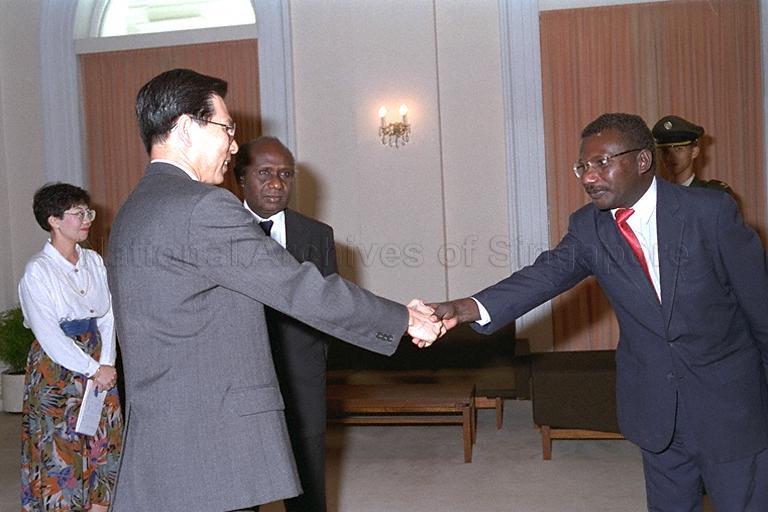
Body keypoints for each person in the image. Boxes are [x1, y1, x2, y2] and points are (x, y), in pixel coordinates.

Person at [105, 68, 441, 512]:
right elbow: (296, 286)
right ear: (186, 128)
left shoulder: (134, 208)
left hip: (164, 430)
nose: (233, 145)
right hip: (212, 438)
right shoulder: (202, 206)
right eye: (226, 129)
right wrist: (402, 318)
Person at [424, 113, 768, 511]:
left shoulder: (710, 212)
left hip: (731, 408)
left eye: (602, 163)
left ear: (642, 160)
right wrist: (463, 308)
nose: (589, 177)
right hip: (655, 410)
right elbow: (542, 277)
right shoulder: (590, 228)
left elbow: (760, 310)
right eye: (583, 167)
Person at [233, 136, 335, 512]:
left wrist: (312, 362)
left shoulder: (317, 235)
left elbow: (329, 310)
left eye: (285, 174)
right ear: (241, 178)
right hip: (240, 383)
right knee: (244, 490)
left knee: (307, 490)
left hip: (301, 381)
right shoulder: (217, 232)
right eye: (264, 173)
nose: (276, 183)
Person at [18, 183, 122, 512]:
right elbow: (48, 334)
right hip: (58, 368)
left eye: (87, 212)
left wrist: (105, 364)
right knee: (61, 450)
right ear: (54, 220)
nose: (87, 219)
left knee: (102, 442)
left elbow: (107, 314)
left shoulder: (93, 260)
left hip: (98, 360)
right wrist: (92, 369)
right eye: (78, 214)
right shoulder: (38, 271)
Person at [652, 114, 735, 196]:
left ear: (694, 152)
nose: (671, 157)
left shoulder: (714, 194)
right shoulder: (657, 195)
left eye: (678, 149)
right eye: (665, 151)